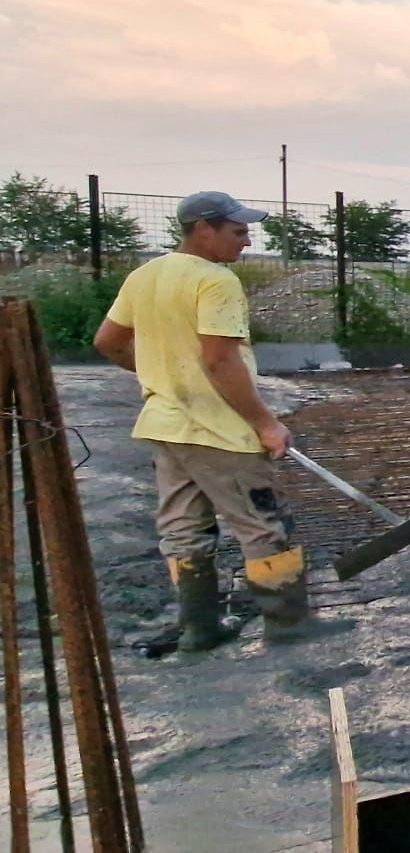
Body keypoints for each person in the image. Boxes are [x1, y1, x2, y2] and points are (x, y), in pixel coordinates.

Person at [93, 191, 326, 651]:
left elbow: (108, 341)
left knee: (183, 529)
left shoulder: (146, 275)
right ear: (204, 229)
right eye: (237, 232)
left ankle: (199, 629)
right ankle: (288, 625)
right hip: (219, 430)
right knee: (262, 521)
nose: (246, 241)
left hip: (167, 426)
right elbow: (221, 361)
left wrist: (163, 372)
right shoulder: (214, 280)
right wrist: (266, 423)